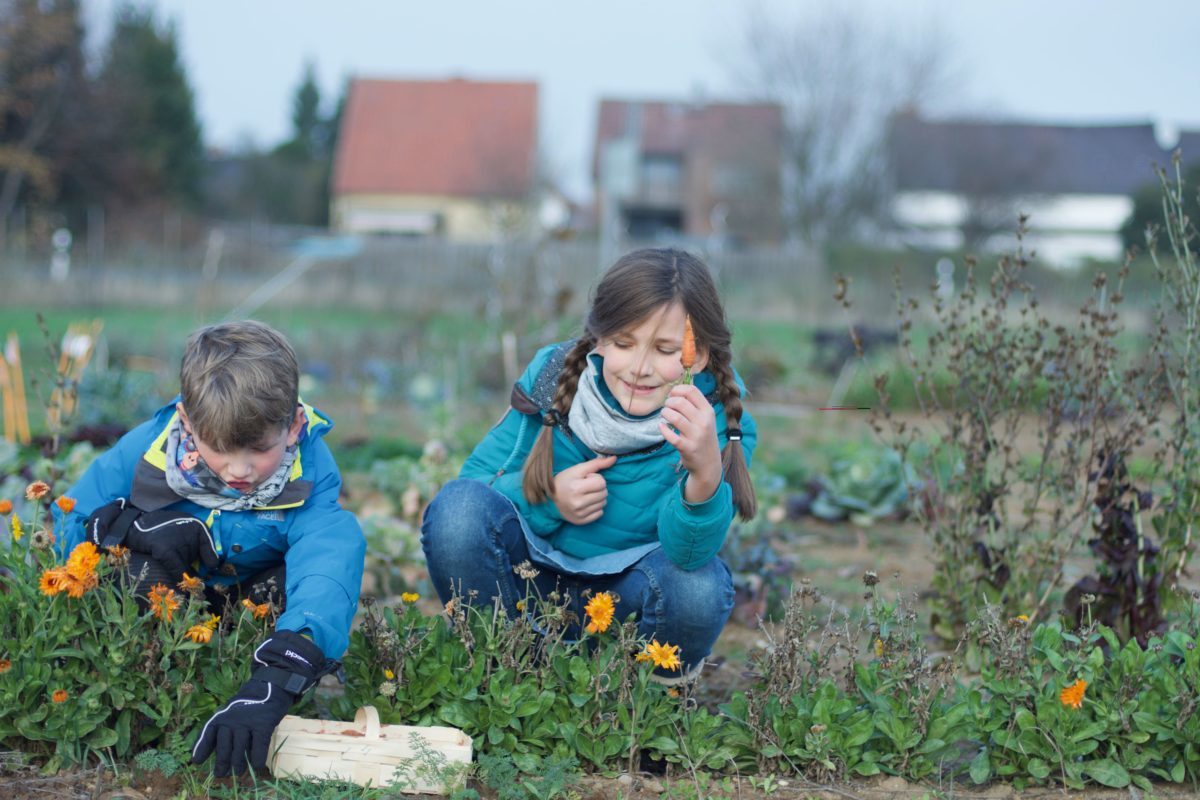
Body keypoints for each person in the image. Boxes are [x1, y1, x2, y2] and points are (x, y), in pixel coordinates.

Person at [421, 248, 757, 683]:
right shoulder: (552, 378)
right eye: (623, 343)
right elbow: (474, 493)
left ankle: (639, 701)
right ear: (599, 339)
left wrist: (705, 475)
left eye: (665, 350)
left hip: (629, 603)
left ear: (701, 355)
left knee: (698, 587)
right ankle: (504, 673)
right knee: (457, 512)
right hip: (531, 589)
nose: (639, 368)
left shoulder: (719, 423)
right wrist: (547, 499)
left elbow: (688, 557)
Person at [54, 320, 365, 777]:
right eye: (220, 449)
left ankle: (249, 683)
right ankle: (146, 692)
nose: (240, 470)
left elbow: (326, 559)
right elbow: (69, 519)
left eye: (260, 449)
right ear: (187, 421)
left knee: (292, 582)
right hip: (166, 601)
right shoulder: (148, 449)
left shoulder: (309, 471)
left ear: (294, 425)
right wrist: (126, 530)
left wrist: (285, 669)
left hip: (245, 605)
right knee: (131, 571)